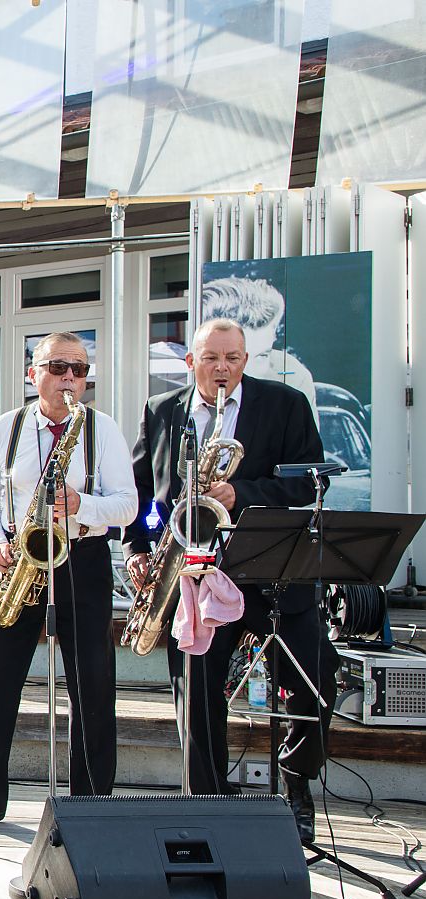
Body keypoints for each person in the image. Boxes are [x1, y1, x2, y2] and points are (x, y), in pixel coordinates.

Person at [125, 318, 335, 842]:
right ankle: (209, 798)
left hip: (270, 571)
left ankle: (296, 783)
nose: (223, 369)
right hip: (192, 572)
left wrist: (243, 493)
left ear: (246, 360)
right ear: (190, 361)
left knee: (313, 679)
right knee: (196, 691)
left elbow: (310, 481)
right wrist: (137, 547)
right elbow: (141, 492)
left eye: (233, 359)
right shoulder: (161, 410)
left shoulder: (285, 404)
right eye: (212, 358)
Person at [0, 334, 137, 828]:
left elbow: (128, 506)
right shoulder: (6, 427)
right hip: (18, 559)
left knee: (93, 685)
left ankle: (91, 802)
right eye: (58, 367)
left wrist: (82, 504)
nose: (70, 378)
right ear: (33, 374)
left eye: (79, 370)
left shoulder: (103, 429)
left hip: (81, 557)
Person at [199, 277, 317, 410]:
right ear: (192, 360)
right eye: (232, 358)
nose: (248, 372)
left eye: (262, 356)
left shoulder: (294, 378)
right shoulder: (181, 402)